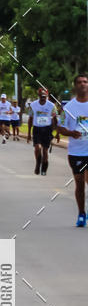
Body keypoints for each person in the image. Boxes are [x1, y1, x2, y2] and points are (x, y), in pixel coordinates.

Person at [57, 73, 88, 226]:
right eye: (80, 82)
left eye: (85, 82)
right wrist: (71, 133)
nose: (83, 84)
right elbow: (60, 127)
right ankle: (81, 213)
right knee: (80, 183)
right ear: (75, 86)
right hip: (76, 152)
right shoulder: (68, 108)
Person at [27, 88, 57, 176]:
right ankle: (38, 163)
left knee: (45, 151)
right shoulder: (33, 105)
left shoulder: (52, 106)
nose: (43, 98)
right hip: (37, 129)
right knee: (37, 148)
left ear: (47, 96)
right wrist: (28, 133)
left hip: (47, 129)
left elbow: (55, 119)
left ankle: (44, 168)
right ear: (38, 95)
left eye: (44, 96)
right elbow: (30, 119)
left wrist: (56, 132)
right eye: (41, 96)